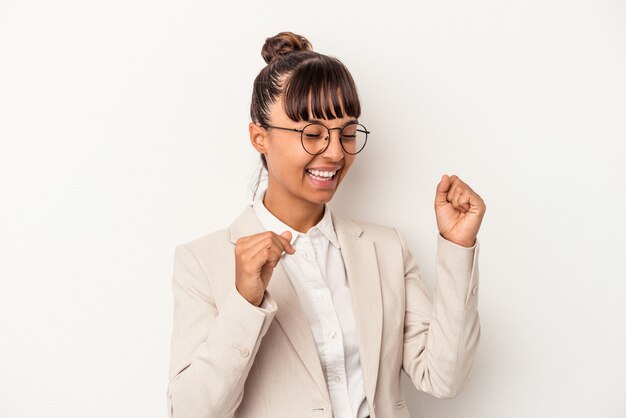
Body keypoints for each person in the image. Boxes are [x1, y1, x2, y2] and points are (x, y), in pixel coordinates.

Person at [167, 31, 486, 418]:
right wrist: (244, 302)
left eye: (347, 133)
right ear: (259, 137)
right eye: (312, 134)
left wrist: (457, 247)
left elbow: (444, 377)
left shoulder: (386, 248)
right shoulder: (203, 262)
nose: (335, 153)